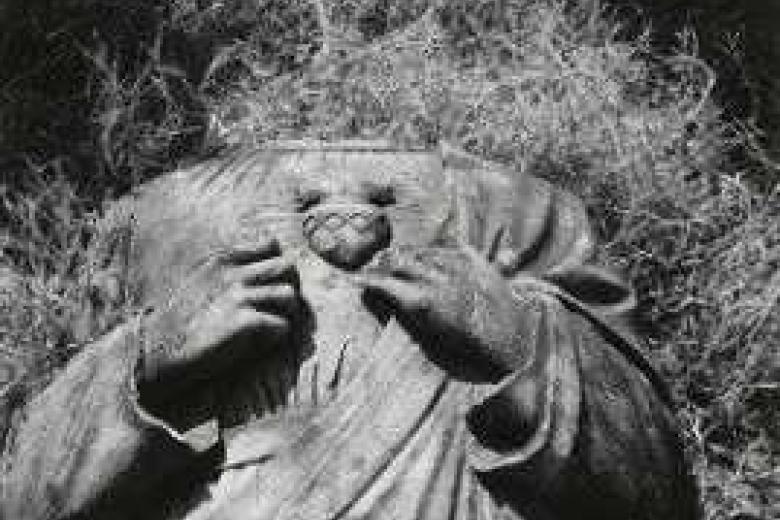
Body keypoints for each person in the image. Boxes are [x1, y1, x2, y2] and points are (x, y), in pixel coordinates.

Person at [0, 141, 699, 519]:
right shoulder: (156, 220)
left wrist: (518, 335)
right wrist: (149, 360)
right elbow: (25, 498)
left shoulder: (524, 214)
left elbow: (662, 492)